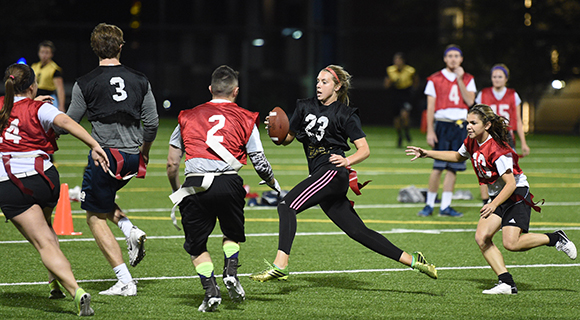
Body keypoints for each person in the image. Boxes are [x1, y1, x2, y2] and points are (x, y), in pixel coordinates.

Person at [249, 65, 437, 283]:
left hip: (332, 173)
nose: (319, 85)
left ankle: (280, 265)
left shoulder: (345, 114)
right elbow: (288, 138)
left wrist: (347, 160)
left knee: (286, 204)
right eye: (318, 81)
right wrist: (275, 129)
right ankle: (414, 260)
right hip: (322, 177)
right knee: (358, 231)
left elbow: (364, 149)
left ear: (337, 86)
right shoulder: (304, 106)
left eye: (325, 82)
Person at [406, 104, 577, 294]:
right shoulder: (472, 141)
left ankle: (555, 238)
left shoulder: (498, 149)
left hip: (516, 194)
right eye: (467, 122)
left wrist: (492, 204)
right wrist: (427, 153)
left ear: (486, 125)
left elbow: (511, 184)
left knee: (511, 244)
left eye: (473, 123)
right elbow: (457, 155)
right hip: (498, 195)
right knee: (482, 238)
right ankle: (507, 283)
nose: (468, 126)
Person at [166, 65, 281, 312]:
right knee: (231, 234)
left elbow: (172, 163)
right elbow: (259, 161)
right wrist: (273, 183)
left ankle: (211, 291)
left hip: (195, 185)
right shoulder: (247, 117)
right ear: (236, 91)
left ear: (210, 89)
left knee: (197, 247)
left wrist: (178, 190)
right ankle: (230, 270)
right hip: (229, 182)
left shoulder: (187, 116)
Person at [0, 63, 110, 315]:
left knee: (44, 242)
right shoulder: (40, 107)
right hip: (45, 179)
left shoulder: (3, 106)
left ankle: (76, 291)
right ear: (31, 86)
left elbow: (14, 111)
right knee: (47, 234)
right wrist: (94, 144)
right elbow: (66, 122)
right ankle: (55, 284)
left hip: (11, 183)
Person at [60, 23, 159, 296]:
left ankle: (125, 280)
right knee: (103, 200)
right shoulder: (140, 79)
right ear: (121, 47)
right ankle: (130, 230)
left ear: (95, 49)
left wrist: (48, 123)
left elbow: (70, 121)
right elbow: (151, 123)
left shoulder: (86, 82)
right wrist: (145, 152)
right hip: (131, 158)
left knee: (93, 215)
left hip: (105, 157)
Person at [419, 44, 477, 218]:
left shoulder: (468, 78)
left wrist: (460, 79)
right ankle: (429, 204)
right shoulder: (435, 78)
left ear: (461, 59)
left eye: (456, 56)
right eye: (450, 56)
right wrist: (430, 130)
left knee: (454, 167)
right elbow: (430, 107)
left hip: (460, 126)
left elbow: (470, 101)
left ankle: (445, 206)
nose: (453, 59)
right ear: (445, 58)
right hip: (442, 125)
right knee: (437, 167)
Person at [475, 63, 530, 205]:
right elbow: (476, 117)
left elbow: (517, 119)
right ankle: (486, 201)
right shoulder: (484, 94)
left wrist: (523, 142)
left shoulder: (512, 94)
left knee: (509, 171)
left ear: (506, 79)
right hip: (488, 137)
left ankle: (509, 199)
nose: (497, 79)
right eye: (494, 76)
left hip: (506, 137)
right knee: (485, 170)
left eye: (500, 76)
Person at [384, 52, 419, 147]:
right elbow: (386, 85)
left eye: (399, 60)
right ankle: (400, 136)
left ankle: (407, 131)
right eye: (396, 60)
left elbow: (416, 80)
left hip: (405, 94)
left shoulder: (410, 70)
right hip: (395, 94)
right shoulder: (390, 70)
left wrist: (413, 90)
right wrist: (390, 82)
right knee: (397, 118)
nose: (397, 62)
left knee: (405, 115)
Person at [31, 41, 66, 112]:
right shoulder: (34, 67)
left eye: (47, 53)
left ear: (51, 54)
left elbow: (60, 89)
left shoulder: (54, 69)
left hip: (49, 98)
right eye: (42, 52)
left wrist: (61, 106)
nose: (44, 55)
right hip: (36, 97)